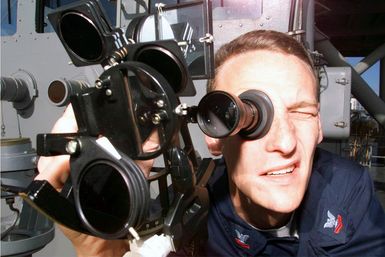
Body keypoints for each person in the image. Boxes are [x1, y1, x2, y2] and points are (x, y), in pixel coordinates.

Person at [36, 30, 385, 257]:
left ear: (320, 128)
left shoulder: (348, 190)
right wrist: (101, 249)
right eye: (251, 117)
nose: (286, 141)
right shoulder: (191, 213)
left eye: (301, 112)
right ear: (215, 138)